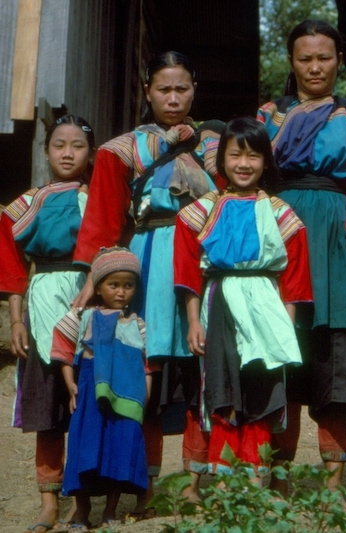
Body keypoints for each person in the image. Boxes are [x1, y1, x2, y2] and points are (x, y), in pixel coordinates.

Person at [71, 51, 225, 514]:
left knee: (201, 374)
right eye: (164, 89)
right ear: (147, 92)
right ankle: (145, 484)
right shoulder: (119, 151)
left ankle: (195, 485)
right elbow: (102, 223)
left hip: (201, 257)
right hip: (145, 262)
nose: (173, 98)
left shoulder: (216, 144)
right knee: (146, 371)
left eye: (182, 89)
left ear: (194, 89)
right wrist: (89, 284)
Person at [256, 20, 346, 501]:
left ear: (338, 61)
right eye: (305, 58)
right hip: (281, 234)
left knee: (338, 350)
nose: (315, 66)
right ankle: (278, 478)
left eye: (324, 57)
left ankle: (331, 483)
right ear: (292, 61)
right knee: (281, 352)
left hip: (340, 239)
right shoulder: (269, 115)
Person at [174, 117, 312, 484]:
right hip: (219, 302)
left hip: (266, 302)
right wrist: (192, 320)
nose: (244, 164)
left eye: (253, 156)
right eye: (235, 155)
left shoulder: (282, 214)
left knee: (261, 383)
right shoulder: (200, 211)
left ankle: (256, 475)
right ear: (222, 161)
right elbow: (187, 271)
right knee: (221, 383)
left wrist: (287, 324)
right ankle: (225, 480)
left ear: (266, 161)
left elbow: (295, 277)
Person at [0, 115, 95, 533]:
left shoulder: (99, 201)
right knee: (46, 406)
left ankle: (84, 503)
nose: (68, 152)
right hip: (40, 304)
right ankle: (48, 503)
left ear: (90, 152)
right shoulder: (24, 206)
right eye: (60, 145)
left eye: (77, 145)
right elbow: (12, 269)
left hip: (87, 300)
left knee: (87, 403)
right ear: (46, 151)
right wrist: (16, 320)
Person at [51, 247, 152, 529]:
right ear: (98, 287)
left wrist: (145, 393)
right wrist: (71, 385)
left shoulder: (137, 324)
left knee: (120, 450)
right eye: (114, 284)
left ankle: (110, 511)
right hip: (90, 398)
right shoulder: (84, 318)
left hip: (127, 398)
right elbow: (62, 346)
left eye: (128, 285)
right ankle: (82, 511)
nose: (121, 292)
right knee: (86, 448)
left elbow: (146, 365)